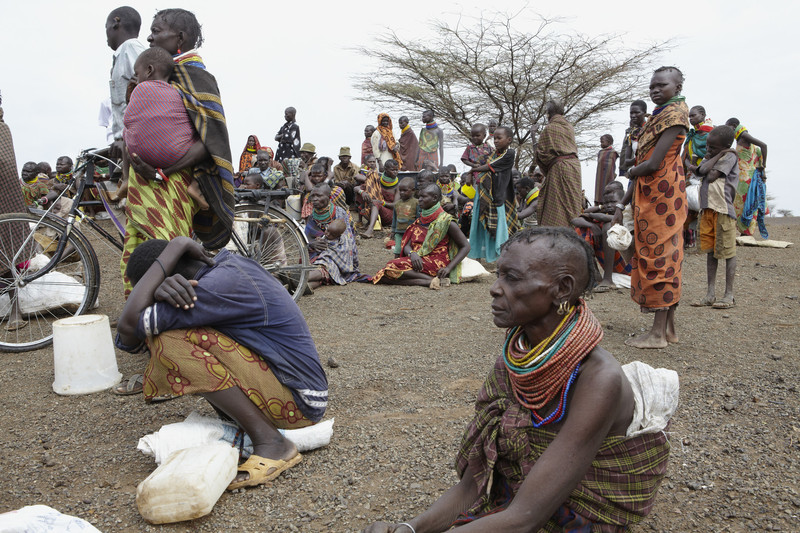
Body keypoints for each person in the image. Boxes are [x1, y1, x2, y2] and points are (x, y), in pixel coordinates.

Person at [363, 227, 676, 533]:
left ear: (563, 289)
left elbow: (526, 517)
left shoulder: (598, 379)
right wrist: (408, 527)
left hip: (573, 519)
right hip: (517, 509)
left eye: (512, 278)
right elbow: (476, 483)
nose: (495, 288)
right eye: (499, 275)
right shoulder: (517, 358)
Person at [115, 236, 327, 489]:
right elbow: (130, 341)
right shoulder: (223, 268)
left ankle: (272, 442)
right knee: (166, 331)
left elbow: (128, 325)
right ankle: (256, 428)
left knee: (169, 339)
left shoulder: (215, 286)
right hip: (293, 387)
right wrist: (162, 280)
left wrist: (177, 244)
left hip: (300, 402)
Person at [121, 7, 236, 297]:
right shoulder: (158, 78)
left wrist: (163, 171)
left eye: (157, 31)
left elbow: (211, 140)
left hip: (172, 182)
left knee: (166, 246)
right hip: (145, 179)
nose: (149, 37)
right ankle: (137, 301)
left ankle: (171, 306)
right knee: (136, 241)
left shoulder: (197, 78)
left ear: (180, 37)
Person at [612, 66, 689, 349]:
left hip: (663, 193)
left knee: (661, 257)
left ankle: (657, 335)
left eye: (661, 85)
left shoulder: (674, 116)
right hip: (656, 191)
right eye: (652, 86)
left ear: (677, 87)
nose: (655, 90)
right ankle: (667, 329)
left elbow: (654, 163)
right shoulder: (663, 114)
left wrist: (632, 172)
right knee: (664, 253)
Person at [122, 46, 208, 210]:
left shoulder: (140, 89)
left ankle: (125, 179)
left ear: (149, 70)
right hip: (176, 158)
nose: (136, 78)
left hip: (138, 159)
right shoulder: (180, 92)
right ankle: (195, 186)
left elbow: (130, 120)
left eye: (137, 73)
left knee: (125, 131)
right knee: (207, 137)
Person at [373, 184, 470, 289]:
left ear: (435, 198)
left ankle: (430, 279)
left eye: (424, 197)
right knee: (384, 277)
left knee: (391, 268)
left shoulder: (446, 221)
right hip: (418, 259)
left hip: (436, 262)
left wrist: (448, 268)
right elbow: (407, 245)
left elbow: (466, 246)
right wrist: (412, 254)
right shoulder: (420, 220)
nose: (419, 200)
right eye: (419, 197)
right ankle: (428, 281)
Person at [689, 125, 739, 310]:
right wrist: (712, 156)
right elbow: (698, 171)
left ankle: (729, 295)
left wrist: (715, 156)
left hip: (723, 210)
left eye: (713, 148)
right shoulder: (716, 155)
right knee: (711, 251)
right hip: (708, 209)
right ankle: (710, 293)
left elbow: (709, 175)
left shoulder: (730, 156)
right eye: (708, 147)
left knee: (727, 252)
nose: (708, 150)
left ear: (726, 146)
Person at [0, 95, 34, 332]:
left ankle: (15, 308)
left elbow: (7, 167)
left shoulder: (2, 129)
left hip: (4, 198)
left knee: (8, 248)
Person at [467, 126, 520, 263]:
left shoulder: (509, 154)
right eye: (494, 138)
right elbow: (476, 160)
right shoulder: (491, 153)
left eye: (499, 138)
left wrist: (472, 171)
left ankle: (500, 257)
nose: (495, 141)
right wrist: (472, 169)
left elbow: (490, 166)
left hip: (499, 195)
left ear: (509, 140)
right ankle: (476, 256)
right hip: (484, 194)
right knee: (479, 223)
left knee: (500, 227)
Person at [572, 181, 631, 291]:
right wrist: (591, 224)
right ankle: (593, 273)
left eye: (613, 202)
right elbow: (575, 220)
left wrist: (590, 215)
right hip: (614, 267)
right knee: (583, 228)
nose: (609, 206)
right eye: (606, 203)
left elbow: (608, 219)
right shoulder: (605, 213)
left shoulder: (627, 213)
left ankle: (608, 279)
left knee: (609, 226)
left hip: (629, 266)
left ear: (623, 202)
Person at [105, 6, 146, 160]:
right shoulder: (121, 55)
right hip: (128, 144)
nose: (106, 33)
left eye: (106, 27)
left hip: (137, 142)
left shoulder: (131, 48)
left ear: (116, 23)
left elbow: (149, 91)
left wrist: (127, 138)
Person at [534, 100, 583, 228]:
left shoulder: (550, 128)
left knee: (556, 206)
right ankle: (574, 231)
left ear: (548, 114)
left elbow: (541, 154)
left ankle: (557, 232)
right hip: (575, 168)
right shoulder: (569, 127)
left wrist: (533, 134)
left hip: (560, 169)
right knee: (572, 203)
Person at [305, 184, 362, 289]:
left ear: (329, 197)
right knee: (318, 267)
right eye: (313, 196)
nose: (315, 199)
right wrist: (312, 244)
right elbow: (306, 240)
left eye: (319, 196)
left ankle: (297, 280)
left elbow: (347, 242)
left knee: (326, 264)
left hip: (337, 255)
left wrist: (328, 246)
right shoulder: (312, 216)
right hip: (316, 253)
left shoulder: (339, 213)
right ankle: (304, 286)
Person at [725, 118, 768, 237]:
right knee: (745, 203)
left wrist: (763, 166)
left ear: (734, 126)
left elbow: (764, 146)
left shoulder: (744, 136)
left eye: (727, 127)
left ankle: (747, 232)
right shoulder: (741, 137)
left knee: (745, 203)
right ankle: (745, 232)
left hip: (746, 178)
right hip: (743, 176)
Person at [681, 106, 713, 247]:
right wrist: (688, 166)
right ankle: (688, 241)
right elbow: (685, 155)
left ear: (703, 115)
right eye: (689, 116)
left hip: (707, 172)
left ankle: (705, 241)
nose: (691, 118)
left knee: (703, 205)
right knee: (687, 207)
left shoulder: (711, 133)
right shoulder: (691, 135)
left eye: (694, 115)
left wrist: (699, 168)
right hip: (690, 173)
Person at [357, 158, 399, 239]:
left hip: (390, 216)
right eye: (393, 170)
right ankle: (361, 221)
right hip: (377, 210)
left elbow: (395, 205)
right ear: (385, 169)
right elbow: (356, 188)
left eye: (397, 170)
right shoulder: (377, 180)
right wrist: (362, 192)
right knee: (366, 194)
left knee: (375, 203)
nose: (395, 172)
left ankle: (370, 230)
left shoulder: (398, 186)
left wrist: (382, 203)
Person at [390, 177, 420, 257]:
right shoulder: (397, 204)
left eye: (405, 190)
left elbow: (418, 218)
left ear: (413, 190)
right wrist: (393, 230)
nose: (402, 193)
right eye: (400, 190)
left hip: (411, 232)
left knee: (409, 250)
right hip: (399, 232)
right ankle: (395, 265)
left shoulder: (416, 203)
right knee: (397, 251)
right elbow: (395, 218)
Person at [618, 100, 648, 177]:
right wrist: (640, 158)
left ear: (644, 113)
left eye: (637, 112)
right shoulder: (631, 134)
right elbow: (627, 161)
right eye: (631, 113)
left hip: (650, 171)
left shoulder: (651, 130)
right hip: (635, 172)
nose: (633, 115)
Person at [594, 134, 618, 204]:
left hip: (609, 176)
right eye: (600, 142)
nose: (601, 144)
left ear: (609, 142)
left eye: (602, 142)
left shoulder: (613, 153)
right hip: (600, 176)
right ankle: (598, 203)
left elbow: (611, 166)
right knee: (599, 190)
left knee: (608, 190)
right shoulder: (600, 152)